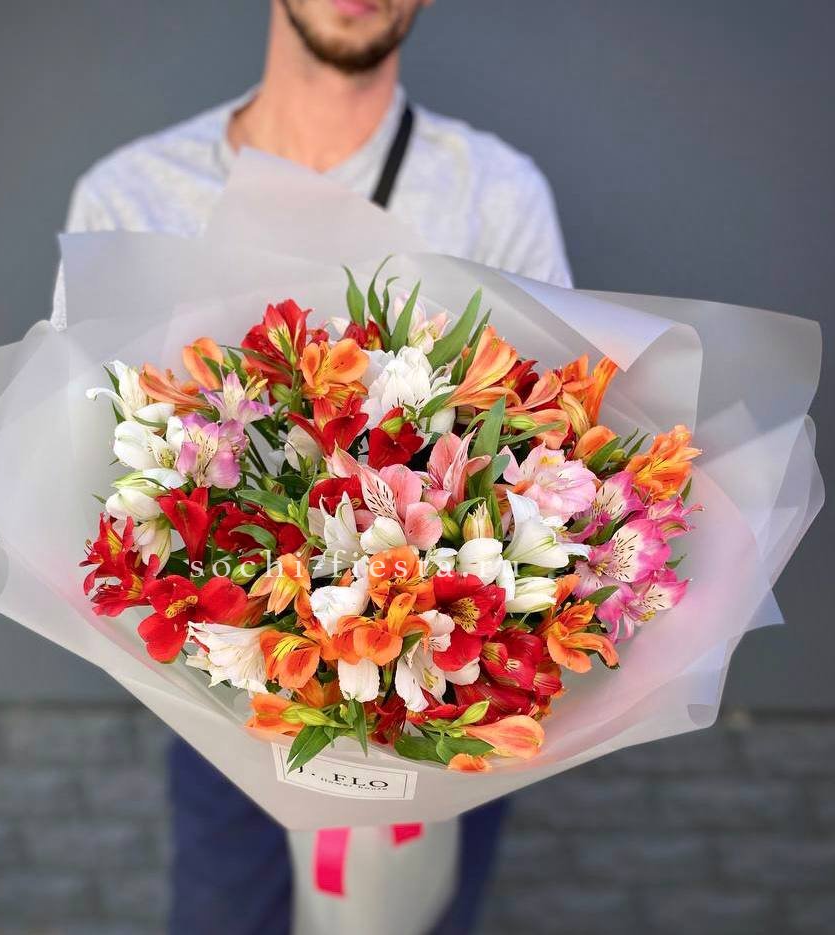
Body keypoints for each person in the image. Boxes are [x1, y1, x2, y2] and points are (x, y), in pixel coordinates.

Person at [53, 2, 571, 931]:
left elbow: (557, 442)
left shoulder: (492, 192)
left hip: (440, 705)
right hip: (225, 710)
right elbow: (80, 460)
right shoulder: (131, 199)